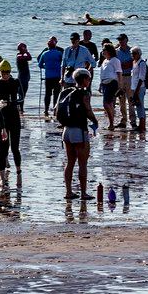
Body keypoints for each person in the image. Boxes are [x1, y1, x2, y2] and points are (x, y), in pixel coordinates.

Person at [56, 69, 98, 201]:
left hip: (66, 131)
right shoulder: (84, 93)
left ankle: (68, 192)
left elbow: (56, 110)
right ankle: (84, 193)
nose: (89, 81)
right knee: (83, 163)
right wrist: (95, 121)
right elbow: (88, 110)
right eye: (88, 79)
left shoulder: (65, 92)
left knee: (70, 162)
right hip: (79, 130)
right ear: (84, 79)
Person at [37, 37, 63, 116]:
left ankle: (46, 110)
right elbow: (63, 63)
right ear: (55, 45)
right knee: (56, 94)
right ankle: (55, 109)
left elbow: (40, 64)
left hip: (48, 77)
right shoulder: (59, 53)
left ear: (48, 46)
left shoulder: (45, 53)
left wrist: (46, 67)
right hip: (57, 77)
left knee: (47, 94)